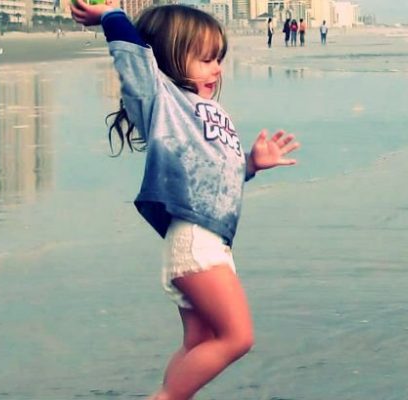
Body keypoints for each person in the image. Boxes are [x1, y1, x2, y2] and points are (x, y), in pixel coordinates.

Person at [69, 2, 300, 399]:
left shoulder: (206, 110)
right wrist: (111, 15)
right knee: (237, 337)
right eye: (206, 60)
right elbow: (134, 59)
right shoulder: (162, 100)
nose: (217, 70)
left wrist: (250, 164)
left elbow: (208, 175)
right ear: (169, 59)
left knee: (200, 342)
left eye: (218, 59)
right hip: (196, 243)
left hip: (209, 241)